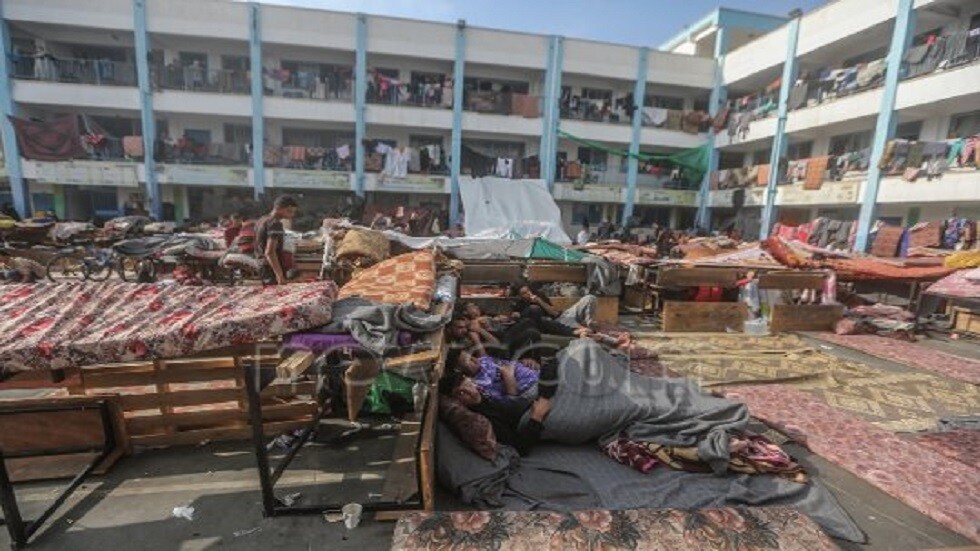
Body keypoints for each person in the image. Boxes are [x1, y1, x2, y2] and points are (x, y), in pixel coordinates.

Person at [439, 368, 553, 456]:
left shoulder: (483, 398)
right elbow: (519, 447)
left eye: (469, 384)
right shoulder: (484, 419)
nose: (471, 391)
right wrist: (537, 416)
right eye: (461, 393)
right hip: (533, 418)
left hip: (527, 403)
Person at [255, 195, 298, 285]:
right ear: (278, 208)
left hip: (262, 264)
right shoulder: (275, 224)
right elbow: (270, 252)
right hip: (271, 267)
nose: (292, 215)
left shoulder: (262, 220)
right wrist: (279, 275)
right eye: (289, 211)